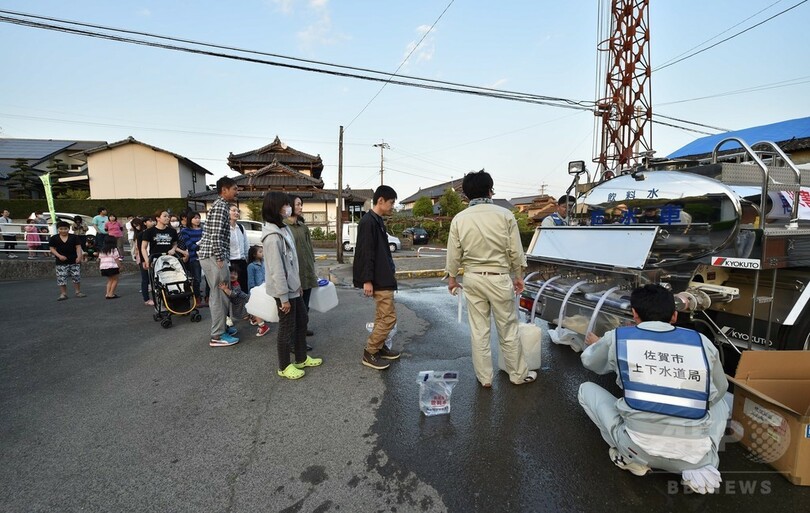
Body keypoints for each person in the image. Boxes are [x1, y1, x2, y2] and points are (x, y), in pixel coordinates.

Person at [579, 284, 729, 495]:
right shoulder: (701, 341)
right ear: (675, 315)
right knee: (722, 401)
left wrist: (601, 344)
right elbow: (720, 389)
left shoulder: (619, 337)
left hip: (637, 449)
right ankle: (695, 467)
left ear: (634, 314)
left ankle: (630, 460)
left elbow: (590, 362)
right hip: (697, 458)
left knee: (585, 390)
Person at [445, 170, 536, 387]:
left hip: (473, 278)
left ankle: (485, 378)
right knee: (508, 329)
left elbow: (453, 253)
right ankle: (517, 375)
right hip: (499, 277)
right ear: (490, 190)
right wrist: (519, 276)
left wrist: (451, 278)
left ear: (467, 195)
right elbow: (516, 251)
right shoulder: (505, 215)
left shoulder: (459, 219)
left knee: (479, 331)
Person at [262, 191, 322, 379]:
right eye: (285, 205)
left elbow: (292, 261)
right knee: (287, 328)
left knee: (302, 321)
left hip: (293, 287)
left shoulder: (283, 229)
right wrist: (283, 298)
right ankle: (284, 366)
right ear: (276, 208)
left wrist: (297, 285)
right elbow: (277, 270)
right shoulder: (272, 236)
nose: (288, 208)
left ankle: (301, 358)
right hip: (284, 291)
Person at [353, 185, 401, 370]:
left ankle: (379, 348)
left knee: (382, 316)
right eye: (391, 202)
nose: (392, 206)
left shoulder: (376, 220)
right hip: (379, 279)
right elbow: (366, 253)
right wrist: (367, 280)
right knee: (388, 318)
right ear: (380, 200)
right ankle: (370, 351)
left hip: (383, 276)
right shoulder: (368, 222)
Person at [198, 177, 240, 347]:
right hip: (214, 256)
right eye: (235, 189)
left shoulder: (221, 206)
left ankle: (221, 328)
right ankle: (217, 335)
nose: (237, 192)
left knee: (222, 292)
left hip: (214, 255)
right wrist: (220, 257)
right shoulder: (220, 207)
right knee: (219, 293)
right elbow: (215, 235)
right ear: (224, 190)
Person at [286, 195, 317, 337]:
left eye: (301, 204)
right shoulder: (284, 227)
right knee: (296, 307)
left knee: (305, 305)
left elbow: (309, 249)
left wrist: (312, 267)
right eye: (297, 204)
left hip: (306, 270)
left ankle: (302, 329)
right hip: (294, 273)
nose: (300, 207)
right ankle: (295, 337)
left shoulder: (303, 227)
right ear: (289, 205)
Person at [48, 221, 85, 300]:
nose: (63, 230)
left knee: (76, 276)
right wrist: (59, 256)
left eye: (65, 229)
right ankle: (63, 293)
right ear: (58, 229)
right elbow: (52, 248)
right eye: (61, 229)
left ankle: (78, 292)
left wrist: (79, 257)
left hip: (74, 260)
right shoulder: (54, 238)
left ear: (69, 229)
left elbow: (78, 247)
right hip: (60, 261)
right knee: (61, 278)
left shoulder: (74, 237)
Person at [178, 210, 205, 307]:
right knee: (197, 279)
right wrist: (200, 247)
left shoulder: (203, 230)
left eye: (198, 218)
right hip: (194, 258)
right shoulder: (185, 231)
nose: (197, 220)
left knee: (208, 279)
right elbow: (190, 245)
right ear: (190, 219)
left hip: (206, 257)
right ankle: (197, 299)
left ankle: (208, 298)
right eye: (195, 218)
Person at [247, 245, 270, 337]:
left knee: (261, 306)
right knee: (256, 308)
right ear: (254, 255)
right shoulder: (251, 266)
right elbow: (250, 279)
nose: (262, 253)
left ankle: (259, 322)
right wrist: (252, 290)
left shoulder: (264, 262)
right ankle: (261, 325)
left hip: (265, 287)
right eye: (260, 252)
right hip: (257, 289)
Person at [133, 216, 155, 306]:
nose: (152, 221)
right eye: (149, 220)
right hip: (144, 258)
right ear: (145, 223)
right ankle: (146, 299)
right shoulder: (141, 234)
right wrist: (143, 261)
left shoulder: (155, 232)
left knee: (155, 279)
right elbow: (140, 248)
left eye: (152, 220)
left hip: (154, 257)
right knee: (145, 279)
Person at [228, 204, 249, 293]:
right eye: (233, 210)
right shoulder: (225, 228)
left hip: (242, 261)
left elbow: (246, 244)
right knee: (232, 288)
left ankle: (244, 306)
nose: (236, 213)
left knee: (243, 286)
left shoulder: (241, 227)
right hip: (231, 262)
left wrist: (247, 258)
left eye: (237, 211)